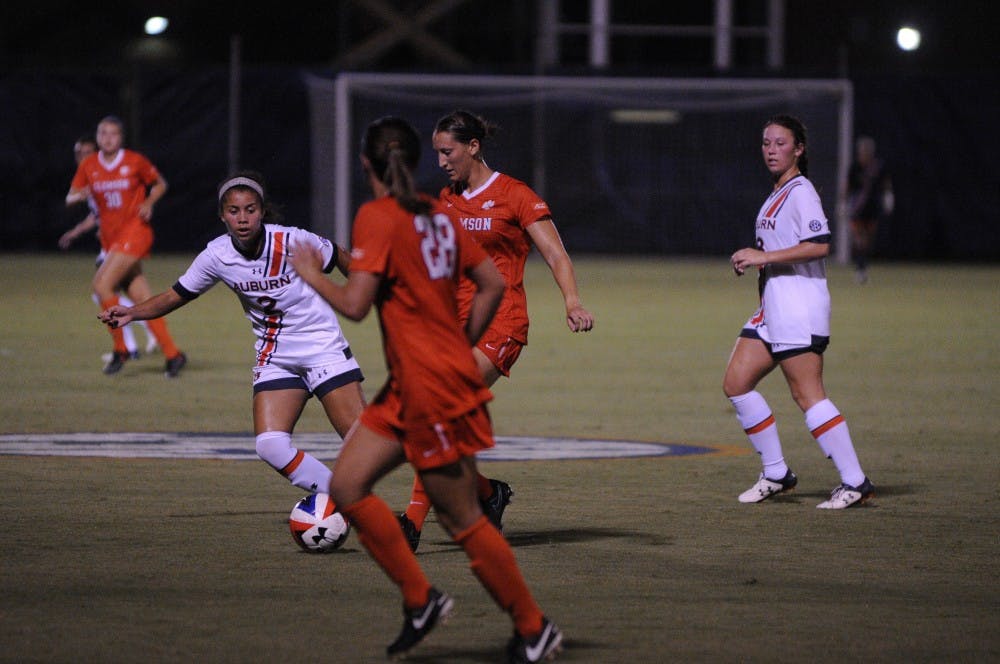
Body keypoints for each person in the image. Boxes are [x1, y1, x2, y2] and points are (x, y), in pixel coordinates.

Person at [290, 116, 563, 663]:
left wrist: (311, 272)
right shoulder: (439, 214)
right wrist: (459, 342)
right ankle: (422, 599)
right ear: (416, 161)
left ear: (366, 164)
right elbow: (491, 282)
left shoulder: (378, 216)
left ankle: (534, 629)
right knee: (346, 485)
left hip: (431, 390)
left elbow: (356, 305)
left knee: (459, 517)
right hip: (412, 385)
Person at [397, 109, 595, 551]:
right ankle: (487, 493)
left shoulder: (514, 195)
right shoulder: (445, 200)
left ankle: (410, 524)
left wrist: (572, 301)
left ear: (473, 147)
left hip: (502, 322)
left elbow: (556, 254)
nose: (441, 161)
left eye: (448, 152)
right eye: (437, 153)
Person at [98, 171, 366, 495]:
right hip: (276, 354)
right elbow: (175, 295)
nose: (242, 219)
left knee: (363, 445)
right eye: (234, 211)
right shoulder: (217, 255)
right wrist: (132, 312)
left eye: (250, 209)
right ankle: (341, 499)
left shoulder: (290, 240)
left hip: (322, 346)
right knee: (270, 445)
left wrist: (369, 286)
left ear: (262, 211)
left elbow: (336, 254)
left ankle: (418, 495)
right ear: (222, 215)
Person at [724, 114, 874, 510]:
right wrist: (756, 261)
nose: (771, 150)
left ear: (799, 149)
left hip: (798, 307)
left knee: (807, 395)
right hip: (773, 308)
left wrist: (764, 256)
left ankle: (855, 482)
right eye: (766, 143)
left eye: (780, 143)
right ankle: (776, 473)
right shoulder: (779, 191)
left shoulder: (801, 190)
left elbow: (820, 244)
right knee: (737, 383)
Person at [67, 115, 186, 377]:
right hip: (111, 241)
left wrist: (148, 202)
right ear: (98, 138)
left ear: (120, 138)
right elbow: (70, 197)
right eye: (103, 134)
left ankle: (121, 348)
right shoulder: (89, 165)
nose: (108, 138)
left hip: (135, 234)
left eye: (113, 134)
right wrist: (81, 195)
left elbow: (160, 184)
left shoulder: (134, 161)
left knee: (101, 285)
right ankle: (173, 354)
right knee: (143, 301)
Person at [60, 135, 157, 360]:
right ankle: (135, 342)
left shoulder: (101, 176)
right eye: (79, 153)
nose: (82, 157)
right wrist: (76, 232)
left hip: (121, 242)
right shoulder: (90, 176)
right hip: (113, 242)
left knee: (103, 292)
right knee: (110, 292)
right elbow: (96, 215)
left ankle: (142, 331)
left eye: (86, 153)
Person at [844, 135, 893, 284]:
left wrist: (888, 197)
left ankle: (862, 268)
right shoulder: (854, 167)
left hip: (872, 208)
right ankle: (860, 270)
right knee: (860, 240)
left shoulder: (878, 167)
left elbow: (886, 183)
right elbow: (847, 187)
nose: (864, 154)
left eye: (867, 151)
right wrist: (843, 204)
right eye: (862, 151)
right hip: (857, 208)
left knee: (868, 240)